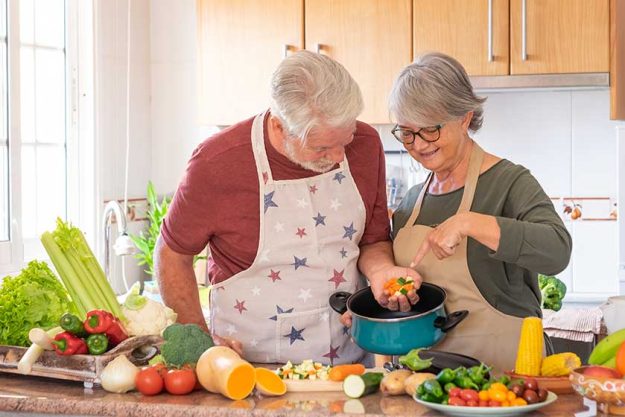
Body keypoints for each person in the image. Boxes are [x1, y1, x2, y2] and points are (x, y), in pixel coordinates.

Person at [155, 50, 418, 365]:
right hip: (247, 368)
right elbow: (172, 255)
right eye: (320, 147)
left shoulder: (367, 144)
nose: (337, 156)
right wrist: (199, 339)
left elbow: (372, 239)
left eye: (344, 141)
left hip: (346, 368)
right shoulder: (217, 162)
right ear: (279, 126)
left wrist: (383, 273)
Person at [388, 52, 572, 371]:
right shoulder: (410, 202)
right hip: (425, 381)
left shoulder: (509, 182)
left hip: (502, 379)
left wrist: (469, 222)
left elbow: (557, 251)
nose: (417, 144)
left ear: (464, 117)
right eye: (406, 132)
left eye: (430, 129)